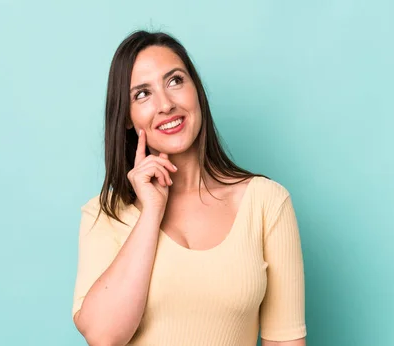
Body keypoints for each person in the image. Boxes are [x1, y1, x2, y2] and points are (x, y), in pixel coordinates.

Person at [71, 30, 307, 346]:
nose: (166, 104)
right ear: (126, 118)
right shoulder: (104, 214)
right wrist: (151, 212)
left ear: (196, 91)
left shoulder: (266, 203)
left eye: (175, 81)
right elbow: (103, 336)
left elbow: (286, 341)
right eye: (142, 94)